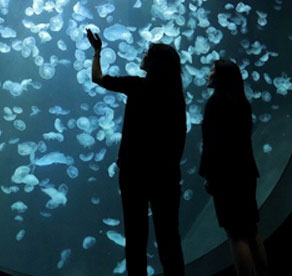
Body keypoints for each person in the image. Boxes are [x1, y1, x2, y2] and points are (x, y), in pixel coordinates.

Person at [86, 28, 186, 276]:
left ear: (153, 63)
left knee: (135, 238)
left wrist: (97, 52)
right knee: (169, 239)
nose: (142, 55)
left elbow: (97, 78)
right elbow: (179, 136)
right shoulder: (175, 95)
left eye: (147, 54)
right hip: (166, 176)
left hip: (134, 175)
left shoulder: (137, 86)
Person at [200, 60, 269, 276]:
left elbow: (213, 143)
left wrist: (209, 176)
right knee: (251, 230)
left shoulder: (215, 103)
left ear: (220, 76)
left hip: (225, 176)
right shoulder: (242, 102)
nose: (208, 74)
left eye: (212, 70)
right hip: (246, 172)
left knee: (236, 235)